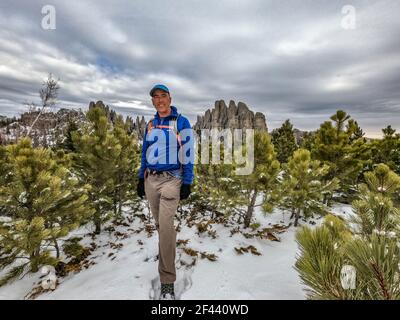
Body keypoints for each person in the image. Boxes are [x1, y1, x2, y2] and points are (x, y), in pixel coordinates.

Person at [137, 84, 194, 300]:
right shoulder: (150, 124)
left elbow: (188, 153)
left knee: (167, 227)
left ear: (170, 98)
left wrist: (187, 181)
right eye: (155, 97)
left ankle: (167, 280)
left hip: (172, 180)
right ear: (152, 101)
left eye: (163, 96)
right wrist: (140, 178)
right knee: (161, 226)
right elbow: (145, 151)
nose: (159, 100)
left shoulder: (181, 122)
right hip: (151, 179)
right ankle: (168, 252)